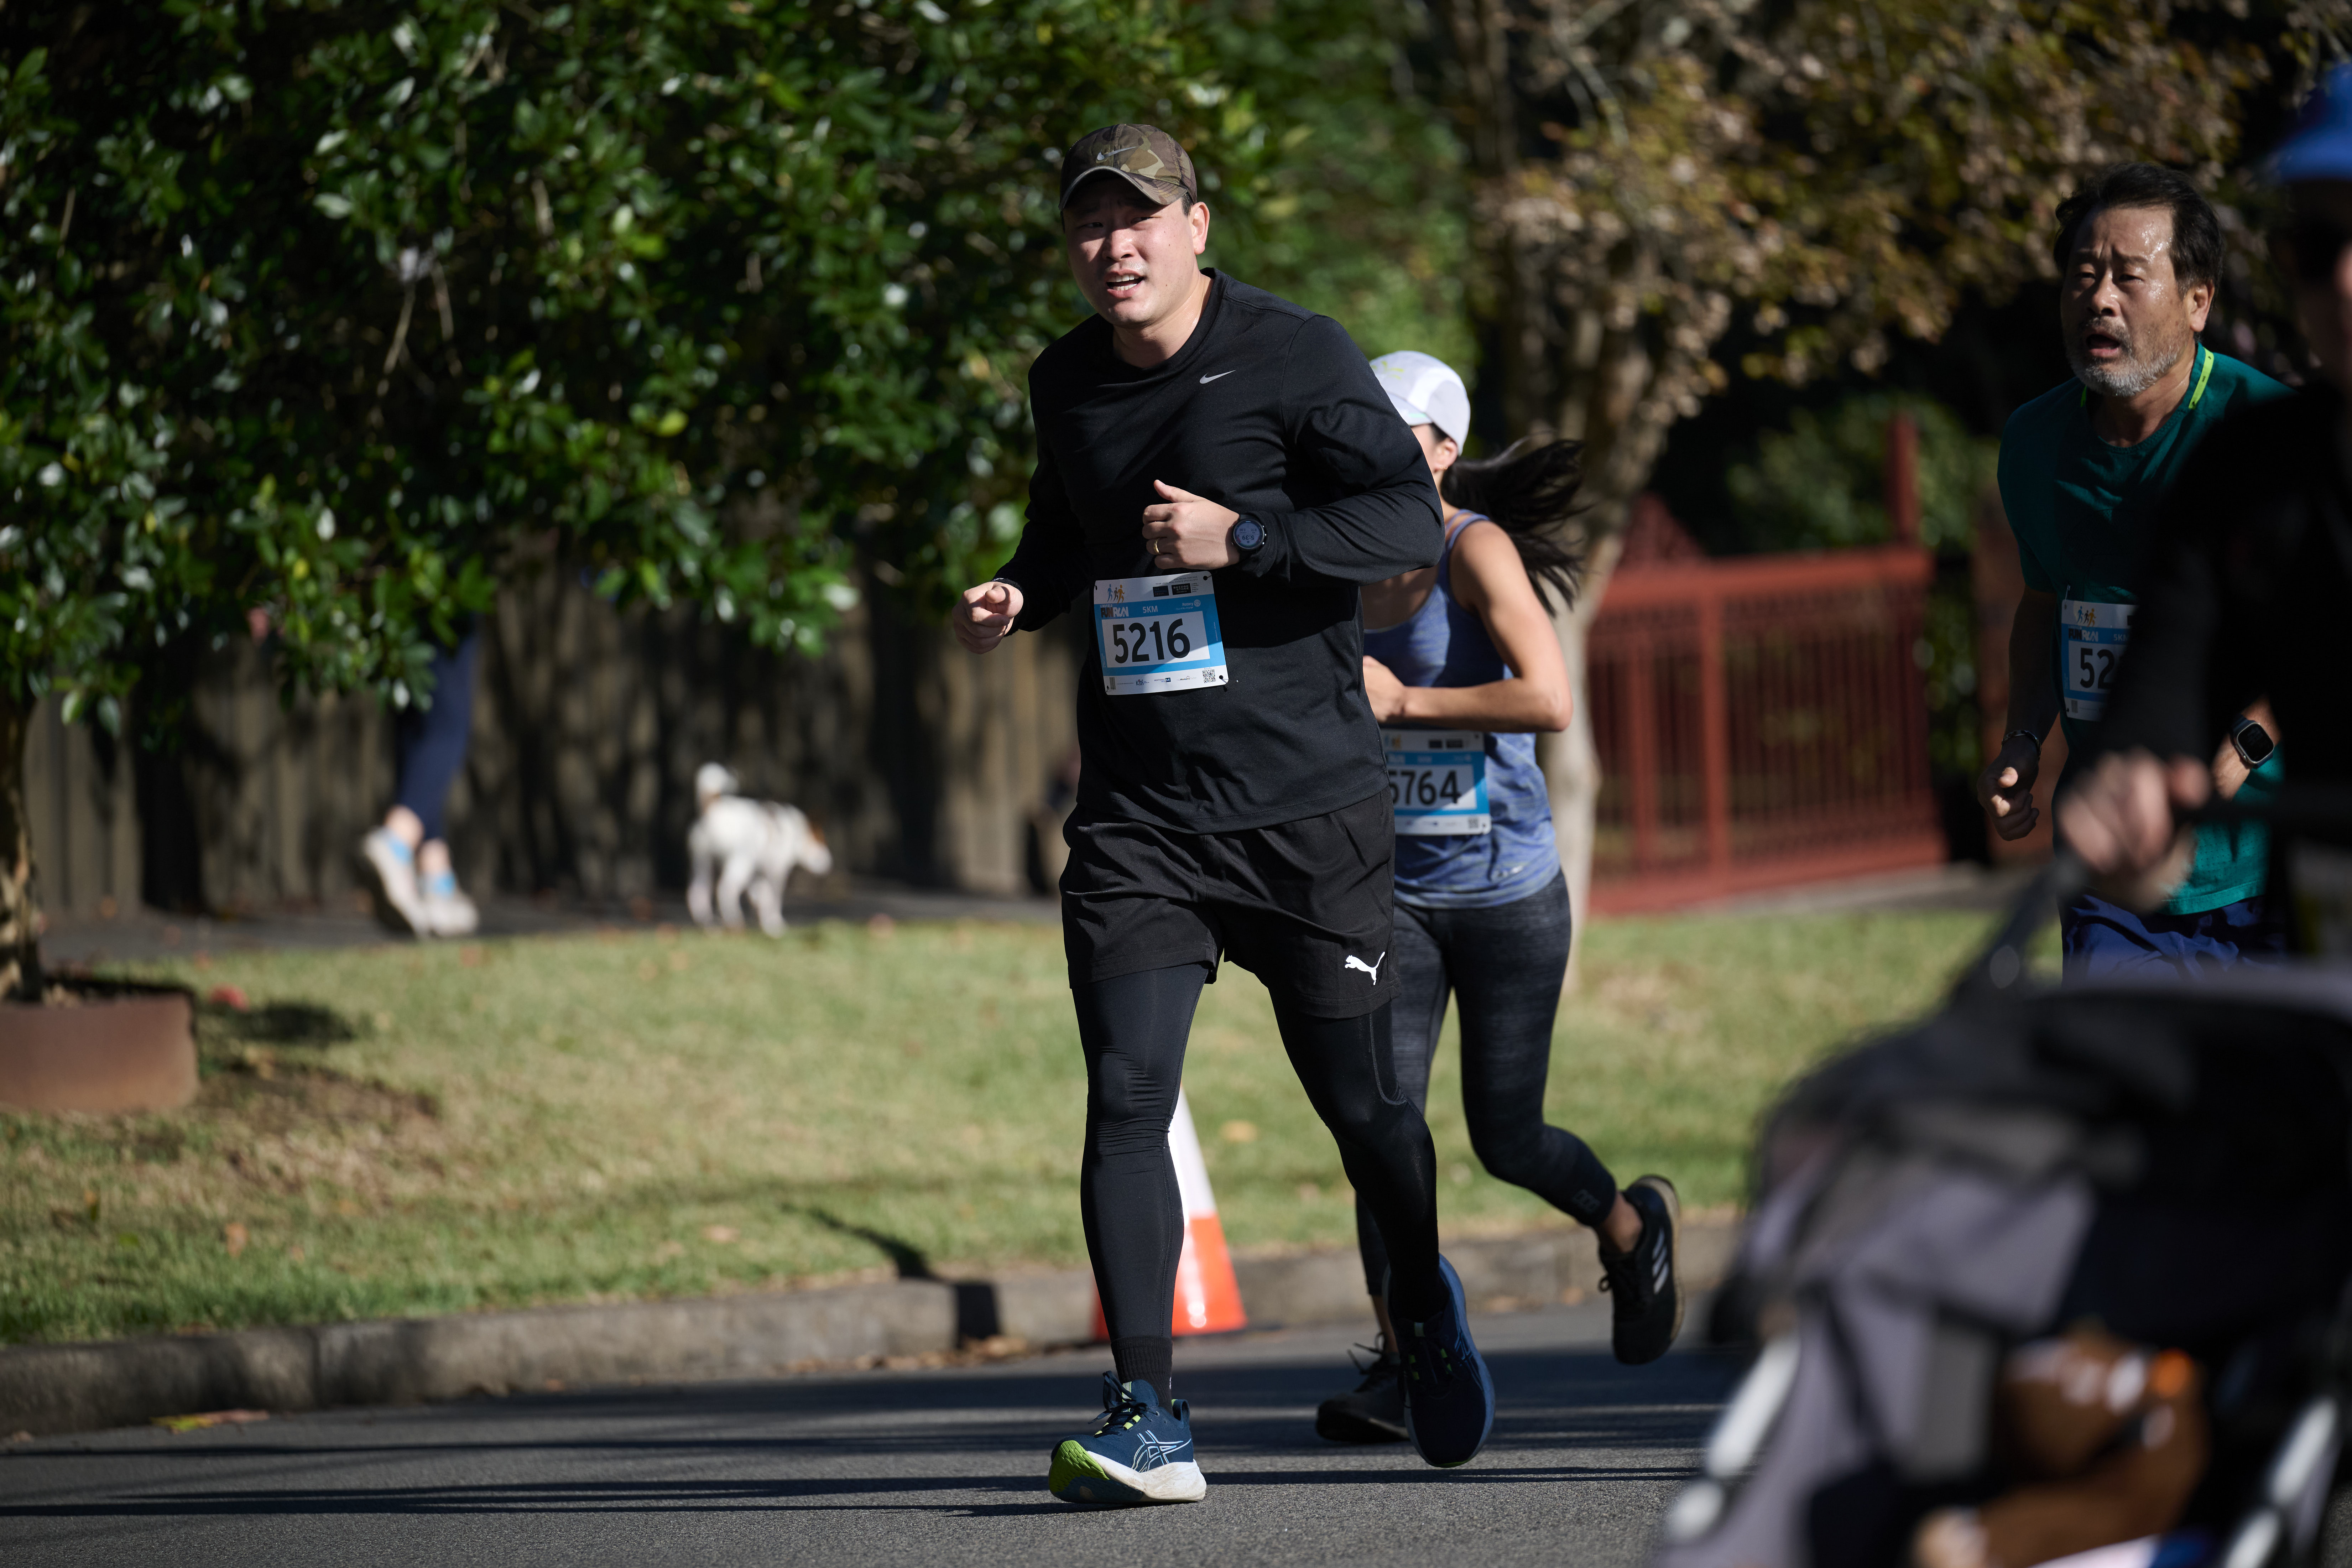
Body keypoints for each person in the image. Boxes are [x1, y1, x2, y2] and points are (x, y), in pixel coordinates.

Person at [955, 124, 1492, 1506]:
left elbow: (1400, 527)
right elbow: (1066, 529)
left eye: (1140, 218)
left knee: (1365, 1107)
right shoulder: (1063, 383)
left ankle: (1420, 1304)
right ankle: (1151, 1412)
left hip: (1305, 807)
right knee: (1128, 1091)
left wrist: (1245, 539)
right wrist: (1024, 590)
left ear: (1199, 224)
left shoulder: (1297, 355)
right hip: (1142, 812)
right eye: (1088, 224)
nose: (1114, 246)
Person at [1312, 351, 1682, 1446]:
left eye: (1388, 429)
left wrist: (1403, 699)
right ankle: (1403, 1355)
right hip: (1391, 901)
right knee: (1378, 1129)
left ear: (1438, 449)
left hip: (1505, 892)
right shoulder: (1330, 557)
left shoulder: (1474, 550)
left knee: (1503, 1136)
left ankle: (1629, 1228)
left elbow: (1548, 697)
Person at [1974, 163, 2290, 979]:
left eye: (2126, 277)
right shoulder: (2033, 443)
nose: (2099, 299)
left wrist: (2242, 742)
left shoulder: (2265, 434)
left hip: (2268, 861)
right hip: (2111, 869)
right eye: (2081, 277)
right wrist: (2020, 741)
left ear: (2197, 300)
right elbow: (2046, 603)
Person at [2062, 76, 2352, 927]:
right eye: (2315, 244)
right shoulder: (2251, 471)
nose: (2340, 281)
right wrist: (2132, 792)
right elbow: (2165, 693)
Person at [358, 627, 482, 938]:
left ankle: (435, 877)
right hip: (446, 587)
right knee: (449, 722)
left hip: (394, 591)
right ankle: (397, 842)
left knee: (415, 718)